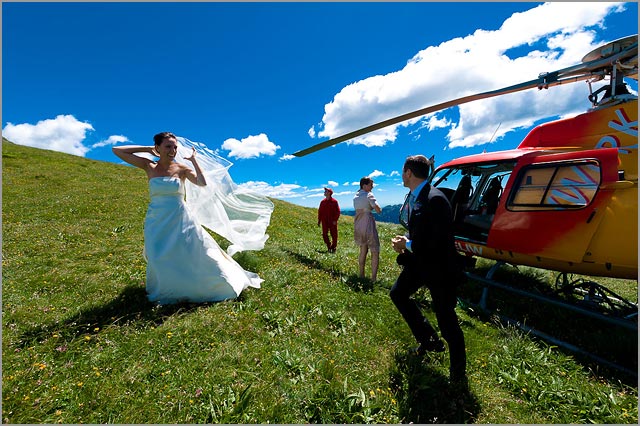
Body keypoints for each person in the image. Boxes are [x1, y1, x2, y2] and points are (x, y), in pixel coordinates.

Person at [112, 132, 272, 304]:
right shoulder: (149, 166)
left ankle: (206, 285)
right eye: (168, 146)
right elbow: (118, 150)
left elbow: (202, 182)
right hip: (156, 217)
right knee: (157, 252)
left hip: (180, 216)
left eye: (174, 147)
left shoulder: (181, 168)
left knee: (192, 252)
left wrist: (193, 161)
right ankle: (168, 287)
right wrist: (148, 149)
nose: (172, 150)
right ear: (158, 147)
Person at [391, 155, 467, 382]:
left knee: (447, 319)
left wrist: (407, 245)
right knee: (398, 293)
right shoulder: (421, 195)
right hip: (421, 262)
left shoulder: (434, 198)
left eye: (402, 172)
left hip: (439, 267)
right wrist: (407, 239)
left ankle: (457, 375)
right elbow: (423, 231)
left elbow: (438, 241)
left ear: (408, 173)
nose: (401, 175)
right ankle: (429, 341)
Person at [353, 177, 382, 281]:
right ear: (364, 185)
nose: (372, 187)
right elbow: (378, 209)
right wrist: (378, 209)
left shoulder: (355, 196)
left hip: (358, 223)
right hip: (367, 223)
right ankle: (373, 278)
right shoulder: (369, 195)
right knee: (375, 251)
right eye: (370, 185)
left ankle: (361, 274)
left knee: (363, 249)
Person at [317, 187, 340, 253]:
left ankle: (334, 247)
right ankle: (329, 246)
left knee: (334, 235)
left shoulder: (334, 202)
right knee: (324, 234)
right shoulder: (322, 202)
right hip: (324, 221)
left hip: (332, 221)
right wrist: (319, 220)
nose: (324, 192)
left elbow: (338, 211)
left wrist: (335, 220)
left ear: (329, 193)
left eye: (326, 191)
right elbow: (320, 211)